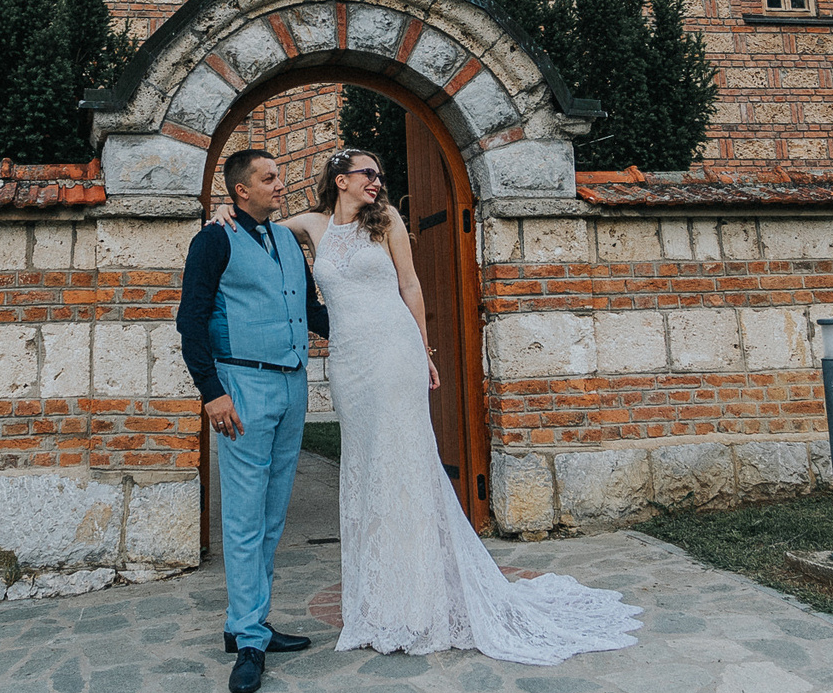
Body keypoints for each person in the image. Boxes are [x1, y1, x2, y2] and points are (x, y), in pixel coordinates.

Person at [214, 147, 640, 664]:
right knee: (368, 468)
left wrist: (424, 349)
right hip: (349, 364)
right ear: (341, 179)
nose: (377, 182)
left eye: (380, 174)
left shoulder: (386, 220)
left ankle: (421, 593)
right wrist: (223, 211)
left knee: (406, 462)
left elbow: (410, 285)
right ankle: (379, 592)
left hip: (395, 352)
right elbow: (254, 217)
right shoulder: (308, 226)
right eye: (368, 173)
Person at [175, 148, 331, 693]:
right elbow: (189, 320)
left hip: (291, 385)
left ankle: (252, 622)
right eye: (269, 178)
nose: (279, 185)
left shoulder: (287, 240)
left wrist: (375, 334)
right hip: (240, 386)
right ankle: (246, 638)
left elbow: (311, 310)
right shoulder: (213, 240)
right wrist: (212, 393)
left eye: (279, 177)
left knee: (270, 514)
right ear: (242, 189)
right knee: (242, 517)